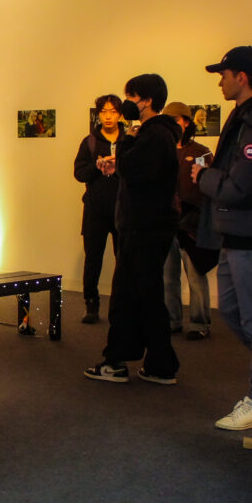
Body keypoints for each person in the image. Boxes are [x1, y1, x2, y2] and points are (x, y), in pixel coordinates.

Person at [191, 46, 252, 430]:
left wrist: (203, 177)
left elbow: (243, 189)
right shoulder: (246, 118)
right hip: (236, 234)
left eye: (224, 74)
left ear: (241, 77)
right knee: (231, 312)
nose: (220, 80)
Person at [84, 74, 181, 385]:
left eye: (131, 97)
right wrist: (120, 165)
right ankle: (160, 363)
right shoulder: (160, 134)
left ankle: (116, 361)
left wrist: (125, 140)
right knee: (149, 296)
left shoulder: (154, 134)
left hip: (143, 227)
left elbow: (139, 170)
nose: (126, 104)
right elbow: (138, 170)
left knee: (127, 296)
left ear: (146, 100)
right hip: (150, 226)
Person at [161, 101, 215, 339]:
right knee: (167, 274)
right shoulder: (160, 151)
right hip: (165, 220)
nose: (172, 125)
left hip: (192, 222)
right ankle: (172, 320)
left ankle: (199, 322)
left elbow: (206, 187)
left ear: (186, 122)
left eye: (176, 120)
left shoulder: (201, 152)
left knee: (195, 274)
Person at [73, 94, 125, 323]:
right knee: (93, 258)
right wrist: (96, 165)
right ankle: (91, 304)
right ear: (98, 114)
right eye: (104, 111)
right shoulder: (90, 142)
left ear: (120, 114)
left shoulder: (129, 140)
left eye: (113, 111)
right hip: (95, 210)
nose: (108, 116)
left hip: (123, 209)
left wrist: (118, 165)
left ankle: (121, 304)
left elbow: (139, 170)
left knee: (123, 259)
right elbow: (78, 173)